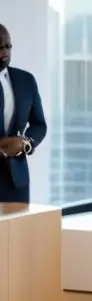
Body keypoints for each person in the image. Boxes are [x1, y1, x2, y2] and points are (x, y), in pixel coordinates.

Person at [0, 24, 47, 203]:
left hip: (16, 181)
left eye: (8, 46)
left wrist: (26, 143)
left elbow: (39, 124)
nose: (4, 51)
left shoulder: (26, 80)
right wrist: (3, 146)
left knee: (18, 231)